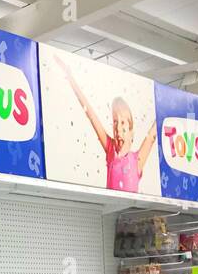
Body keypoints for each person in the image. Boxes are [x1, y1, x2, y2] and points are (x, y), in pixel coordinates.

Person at [58, 56, 156, 192]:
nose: (118, 129)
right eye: (115, 122)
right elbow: (91, 114)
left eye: (123, 123)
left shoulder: (136, 160)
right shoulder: (111, 151)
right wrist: (71, 79)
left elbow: (152, 135)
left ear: (131, 132)